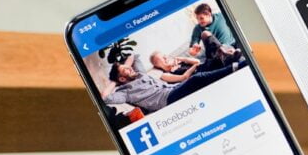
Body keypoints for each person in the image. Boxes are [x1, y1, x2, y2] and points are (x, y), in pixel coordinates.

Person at [101, 54, 244, 113]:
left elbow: (134, 56)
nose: (130, 68)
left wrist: (123, 67)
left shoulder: (140, 73)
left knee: (203, 74)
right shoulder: (125, 92)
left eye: (128, 67)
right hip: (166, 99)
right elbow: (105, 97)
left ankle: (234, 65)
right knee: (196, 78)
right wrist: (114, 80)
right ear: (121, 79)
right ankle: (236, 67)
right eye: (125, 71)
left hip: (173, 89)